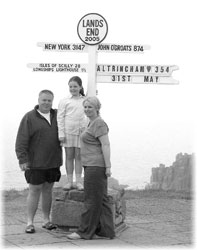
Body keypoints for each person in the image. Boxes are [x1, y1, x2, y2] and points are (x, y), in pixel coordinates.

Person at [67, 96, 115, 240]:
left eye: (90, 107)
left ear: (97, 108)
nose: (87, 109)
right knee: (101, 200)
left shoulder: (99, 123)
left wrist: (108, 167)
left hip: (96, 166)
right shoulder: (91, 123)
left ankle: (84, 232)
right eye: (85, 107)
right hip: (91, 165)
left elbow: (106, 145)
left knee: (91, 200)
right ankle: (107, 232)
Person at [15, 90, 62, 234]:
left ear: (52, 101)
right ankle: (30, 223)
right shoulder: (29, 117)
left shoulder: (58, 115)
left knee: (48, 191)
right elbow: (21, 140)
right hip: (35, 163)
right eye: (44, 100)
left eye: (49, 100)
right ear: (39, 100)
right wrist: (22, 159)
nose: (46, 103)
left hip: (53, 162)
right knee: (34, 191)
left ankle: (46, 221)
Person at [57, 76, 87, 190]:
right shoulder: (64, 101)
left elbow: (87, 115)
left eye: (75, 86)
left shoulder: (85, 100)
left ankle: (78, 182)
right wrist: (61, 134)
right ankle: (69, 182)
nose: (73, 89)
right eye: (71, 86)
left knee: (79, 157)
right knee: (69, 156)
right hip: (68, 132)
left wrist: (85, 129)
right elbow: (60, 118)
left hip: (81, 132)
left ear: (80, 87)